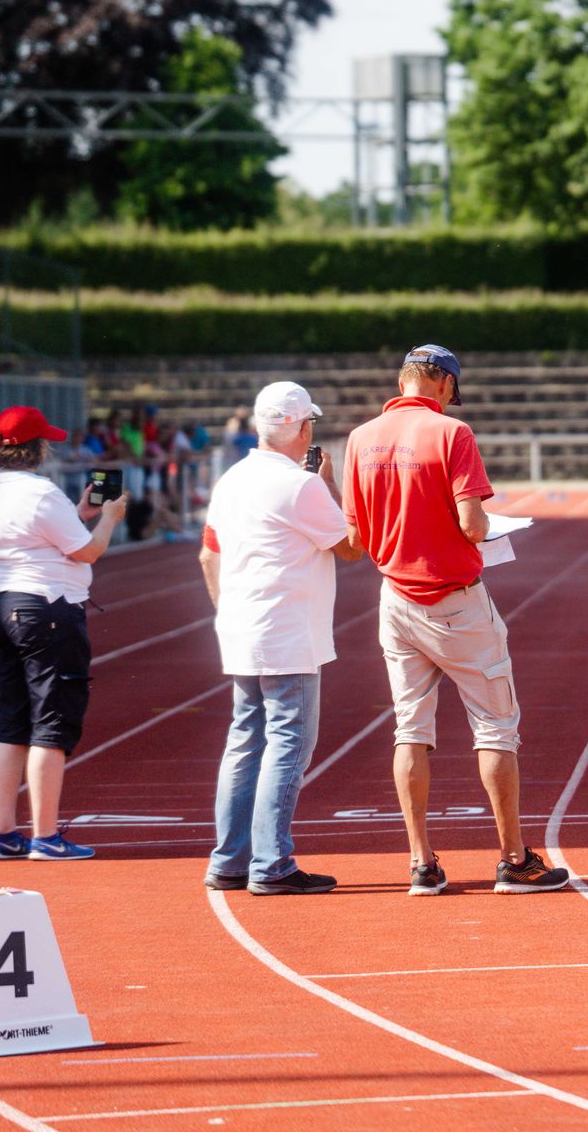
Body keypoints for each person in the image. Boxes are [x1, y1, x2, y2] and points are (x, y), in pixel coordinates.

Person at [343, 345, 568, 897]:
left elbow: (353, 544)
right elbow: (472, 525)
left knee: (410, 729)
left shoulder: (359, 439)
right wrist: (493, 525)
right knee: (495, 729)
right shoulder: (452, 434)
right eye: (450, 388)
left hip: (396, 599)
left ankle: (421, 863)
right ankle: (514, 860)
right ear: (441, 382)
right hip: (457, 601)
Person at [199, 382, 365, 896]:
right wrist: (333, 488)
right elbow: (352, 548)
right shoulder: (301, 486)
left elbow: (209, 555)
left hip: (241, 626)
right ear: (303, 428)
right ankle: (271, 863)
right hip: (287, 631)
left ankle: (229, 859)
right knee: (288, 744)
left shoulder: (231, 479)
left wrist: (227, 613)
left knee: (245, 741)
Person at [0, 406, 128, 861]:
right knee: (52, 723)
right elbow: (88, 552)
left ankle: (2, 833)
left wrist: (80, 512)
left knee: (13, 723)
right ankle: (45, 835)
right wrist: (110, 516)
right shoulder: (41, 493)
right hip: (47, 608)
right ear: (36, 447)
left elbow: (45, 538)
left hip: (2, 600)